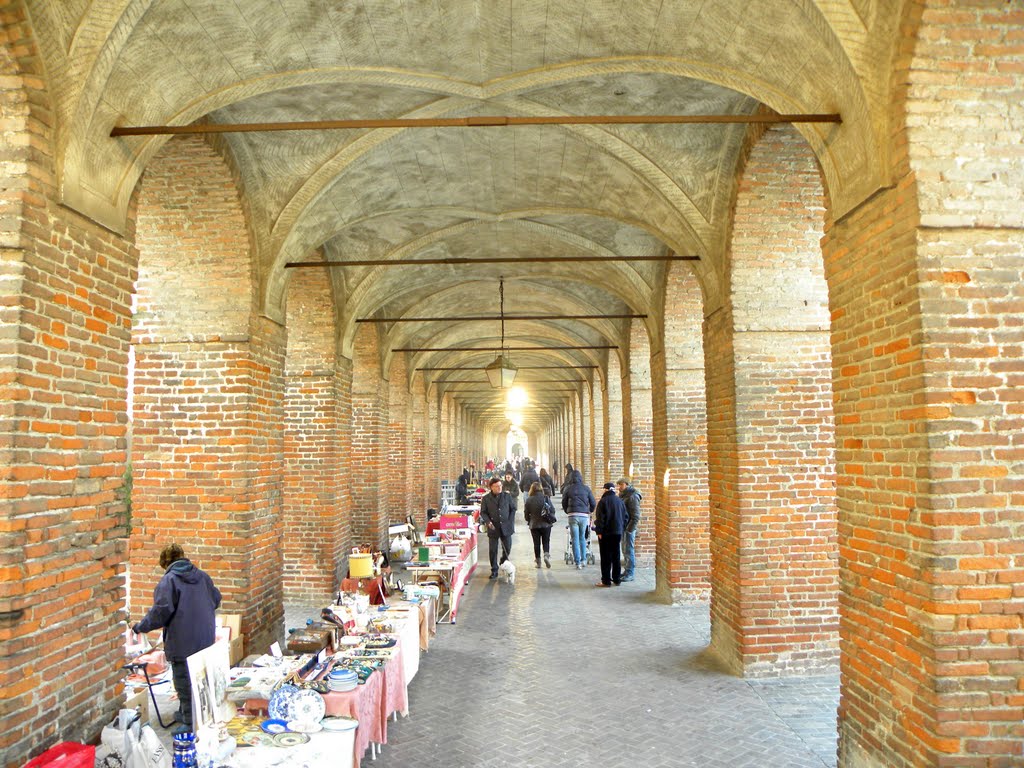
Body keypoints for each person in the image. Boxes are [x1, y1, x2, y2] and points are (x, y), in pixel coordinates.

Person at [132, 543, 221, 734]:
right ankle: (186, 712)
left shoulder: (169, 581)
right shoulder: (202, 576)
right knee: (199, 677)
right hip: (204, 637)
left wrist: (141, 627)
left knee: (183, 680)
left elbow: (160, 612)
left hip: (182, 641)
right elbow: (216, 599)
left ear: (165, 562)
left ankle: (190, 722)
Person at [478, 476, 515, 579]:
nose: (499, 488)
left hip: (506, 526)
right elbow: (483, 512)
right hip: (493, 527)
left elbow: (513, 509)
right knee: (493, 550)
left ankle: (503, 562)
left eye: (500, 486)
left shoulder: (507, 497)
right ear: (491, 487)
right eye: (496, 486)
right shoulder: (486, 499)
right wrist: (488, 522)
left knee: (507, 547)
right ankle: (494, 570)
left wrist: (510, 521)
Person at [593, 482, 629, 587]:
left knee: (605, 557)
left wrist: (599, 531)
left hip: (606, 533)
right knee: (616, 556)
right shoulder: (620, 501)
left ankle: (606, 581)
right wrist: (621, 528)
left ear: (605, 490)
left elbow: (600, 519)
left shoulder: (603, 502)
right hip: (617, 532)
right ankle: (617, 579)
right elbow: (626, 517)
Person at [561, 468, 596, 569]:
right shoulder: (586, 488)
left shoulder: (568, 488)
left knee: (574, 538)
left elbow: (564, 502)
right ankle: (584, 559)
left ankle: (577, 562)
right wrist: (590, 511)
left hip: (572, 515)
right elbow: (593, 502)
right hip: (584, 515)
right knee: (582, 538)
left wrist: (567, 511)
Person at [523, 481, 555, 568]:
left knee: (536, 544)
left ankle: (538, 562)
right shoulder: (546, 498)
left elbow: (526, 514)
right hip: (546, 524)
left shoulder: (529, 500)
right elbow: (552, 510)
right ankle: (546, 555)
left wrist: (529, 520)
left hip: (534, 525)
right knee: (546, 541)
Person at [617, 477, 643, 582]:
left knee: (629, 550)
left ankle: (630, 573)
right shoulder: (623, 495)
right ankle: (626, 571)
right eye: (618, 485)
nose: (619, 487)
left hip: (628, 528)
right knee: (624, 550)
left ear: (627, 484)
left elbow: (636, 516)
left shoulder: (632, 497)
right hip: (624, 526)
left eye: (621, 485)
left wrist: (629, 529)